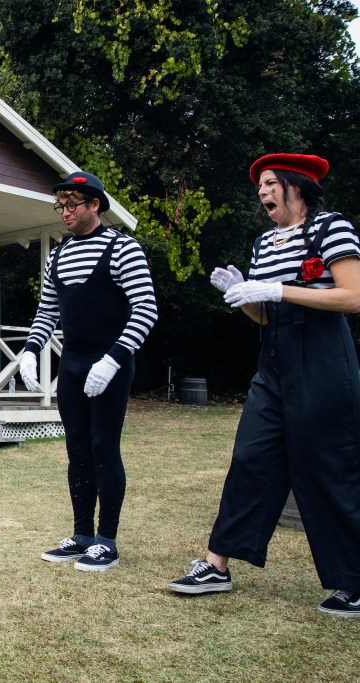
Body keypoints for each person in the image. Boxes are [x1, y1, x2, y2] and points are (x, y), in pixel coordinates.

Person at [168, 153, 360, 617]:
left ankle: (352, 582)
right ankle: (217, 564)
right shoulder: (263, 243)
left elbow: (353, 297)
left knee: (326, 469)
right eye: (259, 187)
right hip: (273, 361)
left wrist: (277, 289)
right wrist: (241, 294)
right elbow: (263, 314)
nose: (262, 192)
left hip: (323, 360)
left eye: (271, 183)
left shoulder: (332, 227)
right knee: (250, 459)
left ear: (297, 185)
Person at [18, 171, 157, 572]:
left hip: (110, 363)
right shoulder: (57, 255)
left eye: (71, 205)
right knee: (76, 449)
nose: (64, 212)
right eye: (59, 205)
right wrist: (30, 350)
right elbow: (48, 310)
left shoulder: (122, 248)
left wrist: (114, 358)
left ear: (95, 205)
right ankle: (81, 535)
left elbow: (146, 309)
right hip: (74, 364)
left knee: (103, 447)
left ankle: (106, 541)